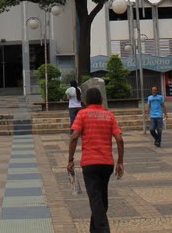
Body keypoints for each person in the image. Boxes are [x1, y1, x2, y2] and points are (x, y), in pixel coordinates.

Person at [67, 87, 124, 233]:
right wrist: (120, 162)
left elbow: (74, 137)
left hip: (90, 163)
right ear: (101, 100)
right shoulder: (109, 116)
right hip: (107, 164)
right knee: (101, 198)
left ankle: (103, 230)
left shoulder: (82, 114)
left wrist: (70, 159)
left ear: (85, 101)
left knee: (95, 199)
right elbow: (119, 139)